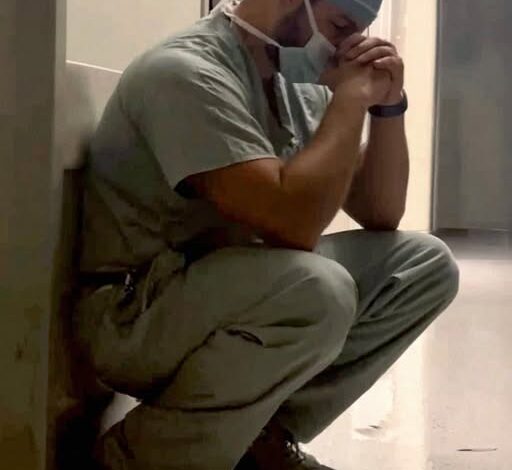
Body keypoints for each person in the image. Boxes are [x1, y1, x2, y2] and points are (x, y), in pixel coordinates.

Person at [73, 0, 459, 468]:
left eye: (361, 30)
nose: (351, 46)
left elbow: (381, 212)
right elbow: (293, 224)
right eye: (341, 25)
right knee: (317, 290)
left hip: (224, 288)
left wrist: (388, 107)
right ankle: (140, 457)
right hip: (135, 313)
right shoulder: (185, 73)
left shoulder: (295, 85)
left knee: (423, 265)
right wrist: (350, 99)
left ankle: (260, 442)